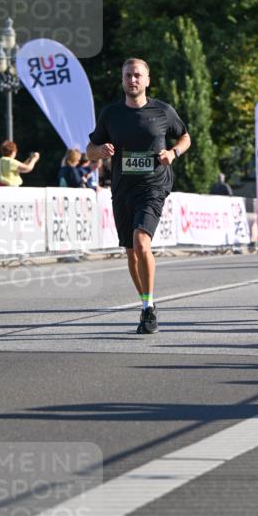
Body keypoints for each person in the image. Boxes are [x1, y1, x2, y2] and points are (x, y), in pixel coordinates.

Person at [87, 57, 191, 334]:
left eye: (137, 76)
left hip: (153, 187)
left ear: (147, 80)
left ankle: (149, 307)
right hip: (123, 189)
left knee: (141, 241)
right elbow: (89, 149)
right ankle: (146, 304)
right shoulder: (111, 114)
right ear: (122, 80)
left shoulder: (163, 111)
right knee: (131, 252)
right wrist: (100, 152)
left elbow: (185, 137)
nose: (132, 80)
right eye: (127, 76)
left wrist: (172, 153)